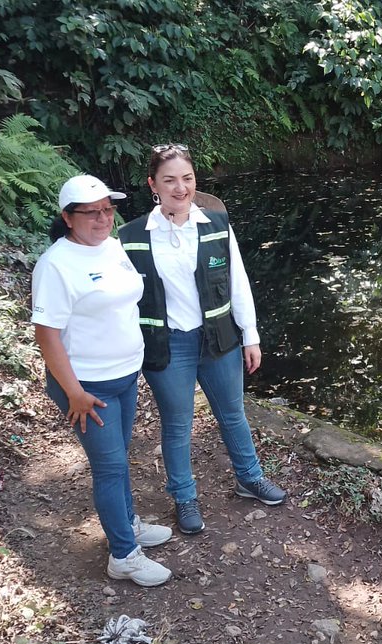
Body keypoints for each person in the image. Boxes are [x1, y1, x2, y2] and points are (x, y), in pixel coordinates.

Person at [119, 144, 286, 535]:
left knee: (233, 414)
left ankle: (250, 478)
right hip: (169, 346)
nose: (181, 188)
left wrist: (251, 336)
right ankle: (184, 496)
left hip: (219, 341)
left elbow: (238, 284)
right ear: (153, 185)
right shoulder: (129, 237)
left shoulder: (216, 225)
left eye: (188, 179)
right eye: (170, 180)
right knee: (177, 425)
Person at [31, 174, 173, 587]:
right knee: (109, 467)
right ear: (68, 217)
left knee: (120, 456)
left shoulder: (112, 248)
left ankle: (127, 524)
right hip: (87, 388)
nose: (102, 219)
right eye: (91, 213)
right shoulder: (56, 264)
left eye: (107, 210)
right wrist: (74, 392)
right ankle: (123, 556)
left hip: (124, 375)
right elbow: (47, 334)